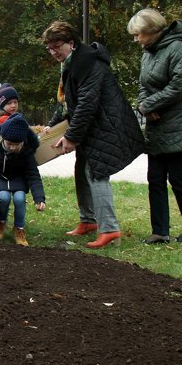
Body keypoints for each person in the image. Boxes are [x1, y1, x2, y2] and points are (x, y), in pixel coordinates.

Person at [43, 20, 144, 248]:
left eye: (57, 46)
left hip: (105, 126)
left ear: (71, 43)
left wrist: (72, 137)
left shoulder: (88, 63)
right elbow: (68, 102)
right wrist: (53, 125)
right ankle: (88, 221)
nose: (53, 52)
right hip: (93, 127)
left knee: (96, 172)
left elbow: (87, 103)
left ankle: (109, 229)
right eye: (50, 48)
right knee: (82, 170)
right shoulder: (72, 63)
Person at [128, 9, 182, 244]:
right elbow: (143, 86)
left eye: (138, 34)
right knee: (155, 178)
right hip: (157, 125)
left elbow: (180, 84)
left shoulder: (178, 48)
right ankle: (160, 231)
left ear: (152, 30)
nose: (136, 39)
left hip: (180, 123)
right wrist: (144, 105)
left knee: (177, 177)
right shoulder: (148, 53)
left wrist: (150, 104)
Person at [0, 114, 45, 246]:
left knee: (19, 198)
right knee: (3, 197)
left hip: (18, 178)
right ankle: (1, 223)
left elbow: (33, 175)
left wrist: (39, 198)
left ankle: (19, 229)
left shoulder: (27, 151)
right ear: (2, 138)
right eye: (9, 144)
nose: (12, 148)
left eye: (17, 145)